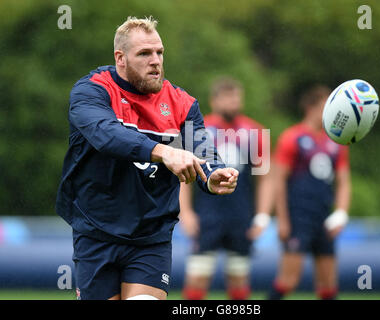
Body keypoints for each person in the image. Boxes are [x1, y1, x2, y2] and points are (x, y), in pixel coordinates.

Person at [55, 16, 239, 300]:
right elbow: (106, 134)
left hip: (150, 237)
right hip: (95, 231)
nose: (155, 60)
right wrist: (165, 152)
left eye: (159, 52)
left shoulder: (183, 103)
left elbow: (204, 152)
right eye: (144, 53)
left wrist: (213, 173)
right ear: (121, 58)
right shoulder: (91, 91)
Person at [179, 77, 273, 300]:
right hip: (207, 215)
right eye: (228, 97)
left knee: (239, 279)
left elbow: (266, 179)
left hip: (240, 215)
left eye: (237, 97)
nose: (234, 102)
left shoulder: (254, 131)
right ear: (214, 100)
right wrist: (186, 212)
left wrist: (262, 216)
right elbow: (183, 176)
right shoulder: (200, 132)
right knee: (197, 277)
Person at [268, 85, 351, 300]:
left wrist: (340, 213)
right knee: (288, 281)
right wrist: (283, 220)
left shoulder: (337, 141)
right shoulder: (292, 138)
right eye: (327, 105)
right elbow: (278, 181)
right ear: (311, 107)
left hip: (323, 218)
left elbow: (343, 181)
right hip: (298, 218)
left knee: (328, 285)